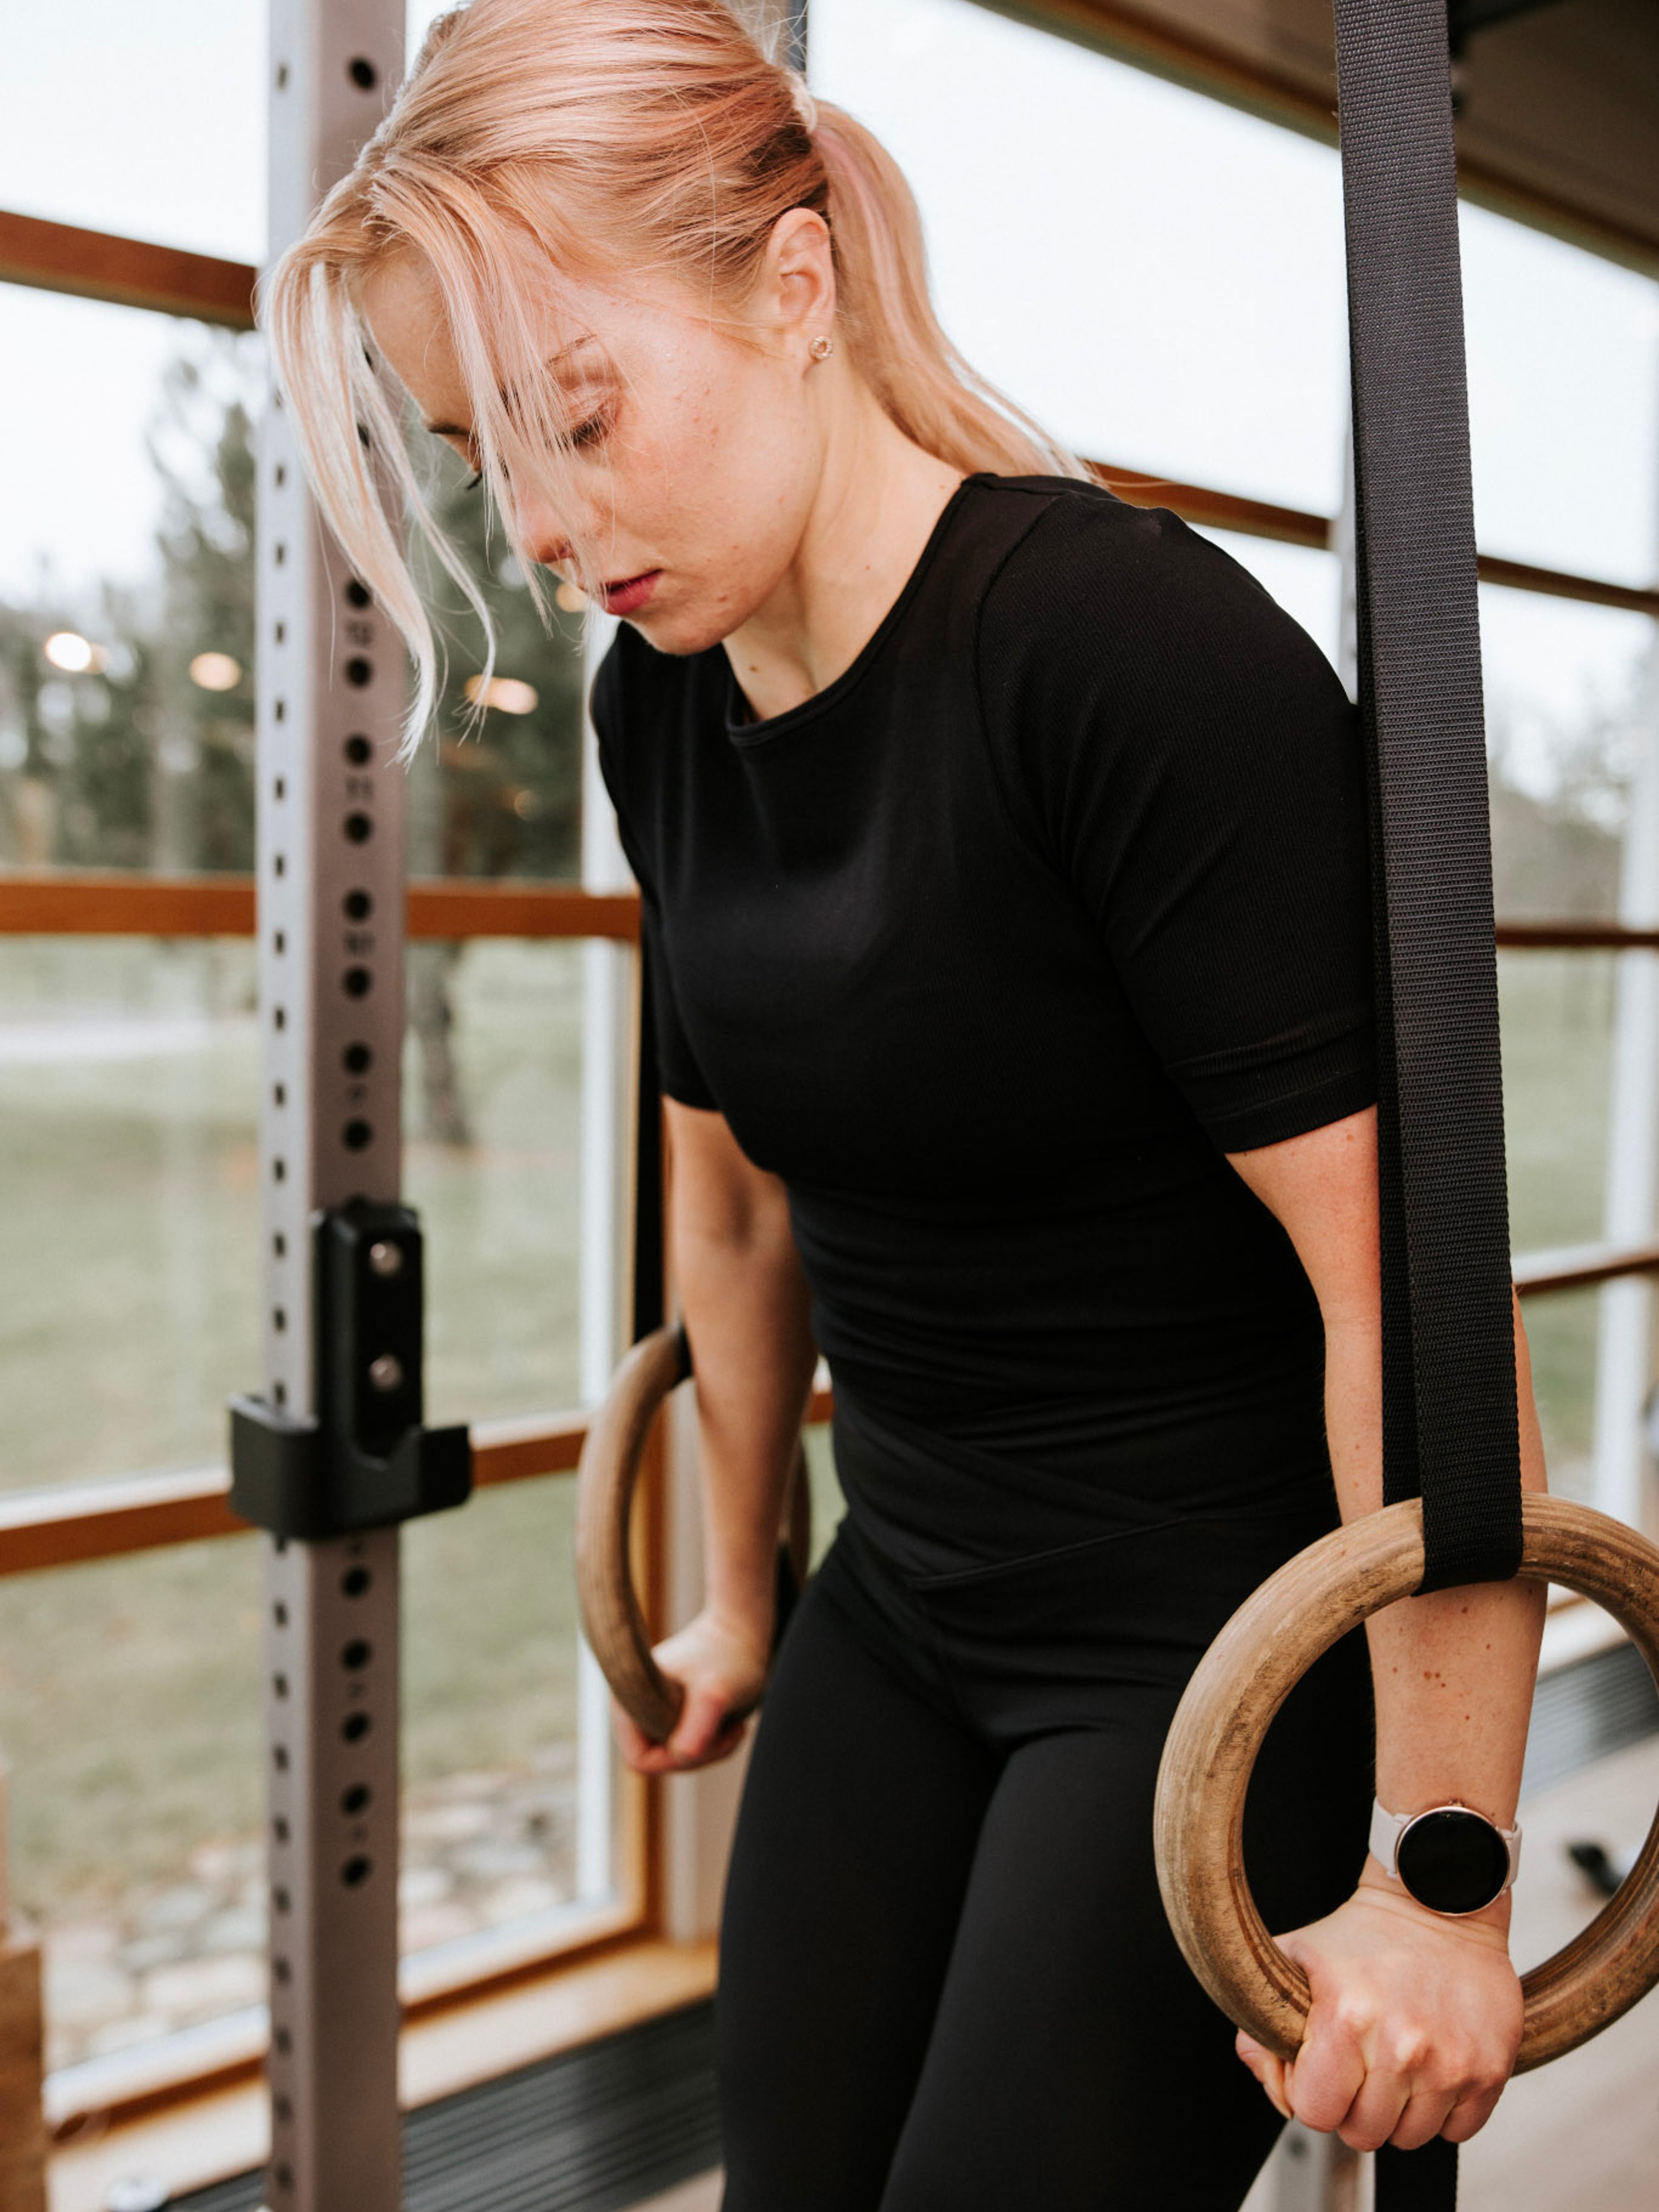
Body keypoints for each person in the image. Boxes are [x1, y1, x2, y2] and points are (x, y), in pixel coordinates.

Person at [265, 2, 1549, 2203]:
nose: (554, 531)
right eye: (498, 461)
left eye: (584, 416)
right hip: (910, 1601)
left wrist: (1442, 1867)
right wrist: (749, 1579)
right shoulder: (659, 704)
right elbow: (739, 1205)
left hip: (1208, 1656)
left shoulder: (1124, 657)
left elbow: (1408, 1301)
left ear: (794, 283)